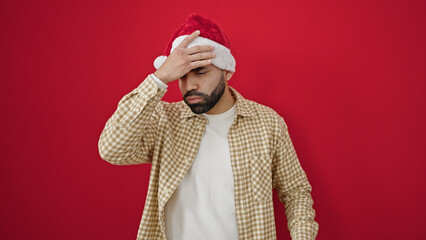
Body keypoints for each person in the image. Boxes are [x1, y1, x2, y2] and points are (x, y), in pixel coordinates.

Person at [98, 12, 319, 240]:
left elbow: (295, 191)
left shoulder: (267, 123)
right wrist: (161, 76)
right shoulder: (164, 120)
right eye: (181, 75)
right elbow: (111, 149)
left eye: (200, 72)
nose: (189, 85)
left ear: (227, 71)